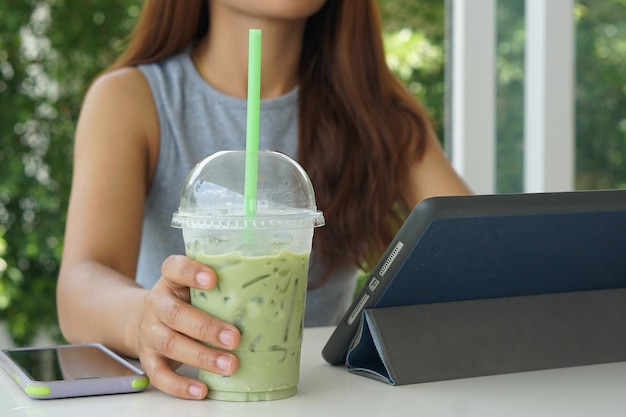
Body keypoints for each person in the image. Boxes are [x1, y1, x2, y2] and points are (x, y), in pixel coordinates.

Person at [56, 0, 471, 400]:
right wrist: (145, 317)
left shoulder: (376, 112)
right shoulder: (133, 98)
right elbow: (81, 284)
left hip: (324, 398)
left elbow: (479, 247)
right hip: (190, 396)